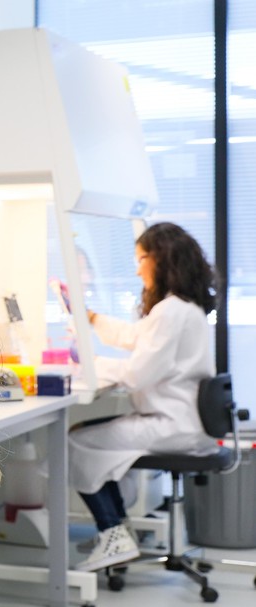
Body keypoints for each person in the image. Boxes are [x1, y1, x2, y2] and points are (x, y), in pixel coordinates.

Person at [70, 222, 217, 572]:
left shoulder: (171, 310)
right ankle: (119, 532)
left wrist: (87, 365)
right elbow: (136, 337)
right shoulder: (184, 307)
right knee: (87, 434)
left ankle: (113, 531)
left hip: (170, 424)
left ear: (162, 258)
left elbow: (138, 373)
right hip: (181, 420)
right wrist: (88, 317)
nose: (137, 268)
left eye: (141, 259)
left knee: (76, 441)